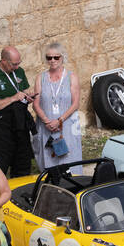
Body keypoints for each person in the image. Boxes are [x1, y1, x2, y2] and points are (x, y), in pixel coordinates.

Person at [0, 45, 36, 178]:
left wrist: (28, 96)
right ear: (4, 61)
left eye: (19, 63)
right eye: (14, 64)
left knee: (23, 163)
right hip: (2, 128)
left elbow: (25, 90)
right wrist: (12, 98)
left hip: (20, 124)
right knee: (0, 165)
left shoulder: (19, 71)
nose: (17, 67)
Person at [32, 42, 83, 171]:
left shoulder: (72, 77)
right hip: (46, 126)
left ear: (62, 57)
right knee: (49, 163)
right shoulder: (40, 78)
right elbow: (36, 104)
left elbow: (75, 103)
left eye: (56, 57)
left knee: (70, 163)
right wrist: (47, 121)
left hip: (66, 125)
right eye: (49, 58)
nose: (53, 60)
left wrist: (59, 120)